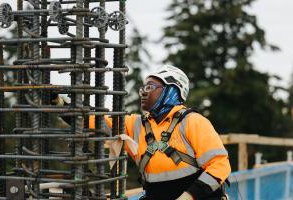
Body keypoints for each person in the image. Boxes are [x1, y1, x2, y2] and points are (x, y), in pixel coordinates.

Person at [53, 65, 231, 200]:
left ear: (172, 89)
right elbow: (94, 122)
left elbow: (219, 165)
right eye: (142, 89)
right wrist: (61, 104)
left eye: (150, 87)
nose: (143, 93)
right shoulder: (136, 124)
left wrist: (188, 197)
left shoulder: (193, 122)